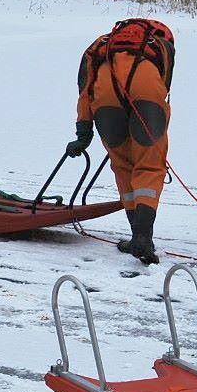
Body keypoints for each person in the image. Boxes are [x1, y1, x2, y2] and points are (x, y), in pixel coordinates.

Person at [66, 19, 175, 265]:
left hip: (105, 96)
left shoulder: (102, 46)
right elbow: (164, 85)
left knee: (123, 165)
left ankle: (137, 235)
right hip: (147, 91)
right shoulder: (161, 46)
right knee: (149, 166)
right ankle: (143, 237)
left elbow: (85, 88)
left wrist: (83, 131)